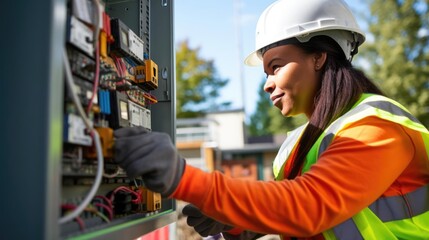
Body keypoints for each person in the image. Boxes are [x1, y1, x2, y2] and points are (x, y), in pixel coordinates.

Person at [113, 0, 429, 239]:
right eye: (266, 72)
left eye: (276, 67)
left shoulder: (375, 126)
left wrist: (184, 178)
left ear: (319, 56)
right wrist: (237, 223)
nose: (266, 84)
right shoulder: (297, 145)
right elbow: (285, 211)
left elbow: (308, 207)